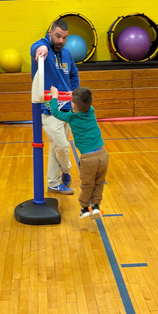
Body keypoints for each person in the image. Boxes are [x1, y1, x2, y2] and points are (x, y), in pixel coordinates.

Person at [30, 19, 80, 194]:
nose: (61, 41)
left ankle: (53, 183)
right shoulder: (43, 49)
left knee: (55, 148)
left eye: (64, 37)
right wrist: (42, 46)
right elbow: (34, 47)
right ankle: (66, 170)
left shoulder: (66, 54)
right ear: (50, 32)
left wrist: (74, 94)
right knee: (62, 146)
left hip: (67, 109)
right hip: (48, 109)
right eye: (58, 36)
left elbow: (74, 75)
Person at [49, 85, 109, 219]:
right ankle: (96, 207)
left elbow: (55, 112)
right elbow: (85, 102)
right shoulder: (91, 111)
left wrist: (54, 96)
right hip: (103, 155)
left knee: (87, 184)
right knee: (99, 182)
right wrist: (75, 96)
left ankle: (84, 208)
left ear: (74, 105)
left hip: (88, 159)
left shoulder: (71, 117)